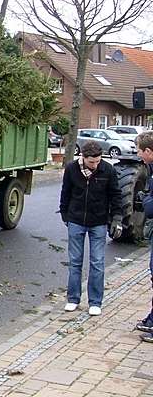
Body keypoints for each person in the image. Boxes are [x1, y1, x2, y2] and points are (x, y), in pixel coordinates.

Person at [59, 140, 122, 316]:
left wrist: (116, 217)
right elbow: (66, 191)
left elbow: (116, 195)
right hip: (76, 219)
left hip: (99, 221)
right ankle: (73, 299)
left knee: (97, 262)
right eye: (91, 162)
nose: (95, 165)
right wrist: (65, 214)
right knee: (75, 262)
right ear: (83, 158)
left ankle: (95, 301)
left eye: (97, 161)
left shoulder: (107, 169)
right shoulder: (72, 168)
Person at [133, 131, 153, 342]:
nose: (138, 155)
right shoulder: (150, 169)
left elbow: (151, 206)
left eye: (139, 151)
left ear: (148, 151)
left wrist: (146, 200)